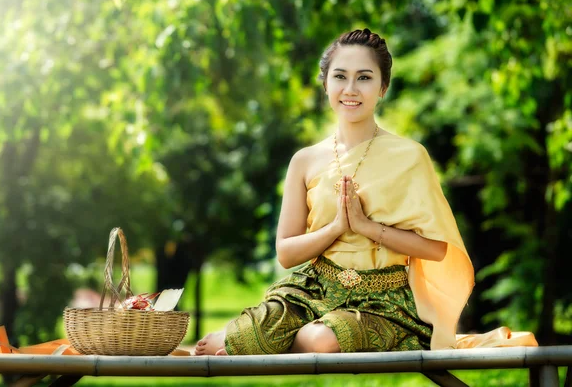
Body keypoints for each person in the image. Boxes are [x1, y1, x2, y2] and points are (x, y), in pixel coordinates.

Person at [195, 28, 533, 356]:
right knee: (223, 340)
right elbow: (286, 253)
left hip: (382, 299)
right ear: (325, 84)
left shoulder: (410, 156)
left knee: (319, 341)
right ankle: (254, 340)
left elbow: (436, 249)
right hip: (311, 289)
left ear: (383, 87)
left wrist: (367, 227)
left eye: (365, 77)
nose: (350, 89)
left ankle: (262, 346)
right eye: (340, 76)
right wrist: (337, 228)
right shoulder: (305, 160)